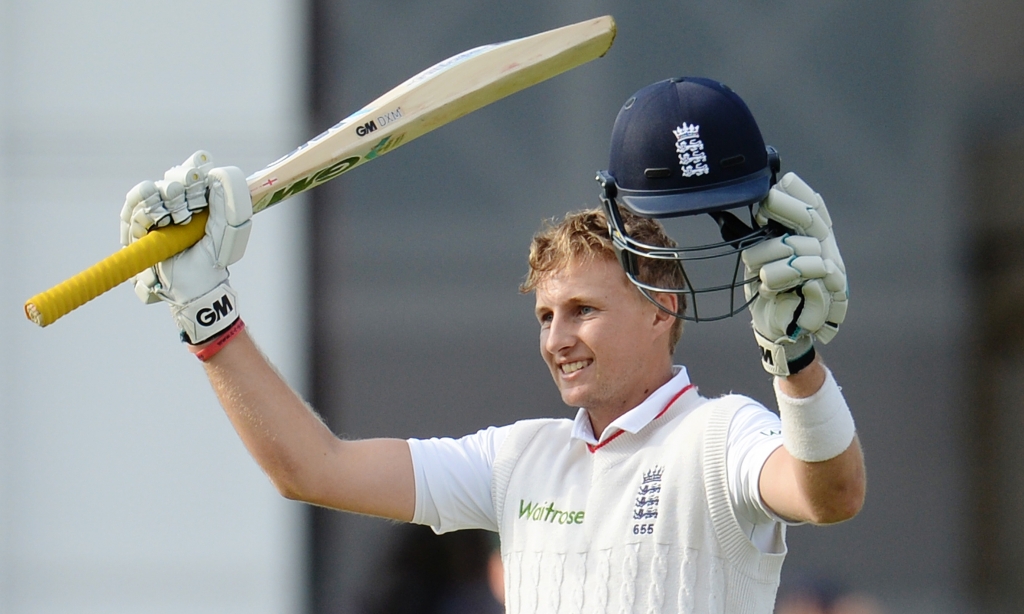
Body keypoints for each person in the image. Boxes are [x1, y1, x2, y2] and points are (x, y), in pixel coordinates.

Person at [120, 77, 865, 613]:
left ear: (661, 307)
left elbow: (829, 494)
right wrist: (206, 313)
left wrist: (794, 363)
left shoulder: (722, 433)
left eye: (582, 310)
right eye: (546, 316)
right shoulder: (517, 460)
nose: (559, 339)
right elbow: (312, 467)